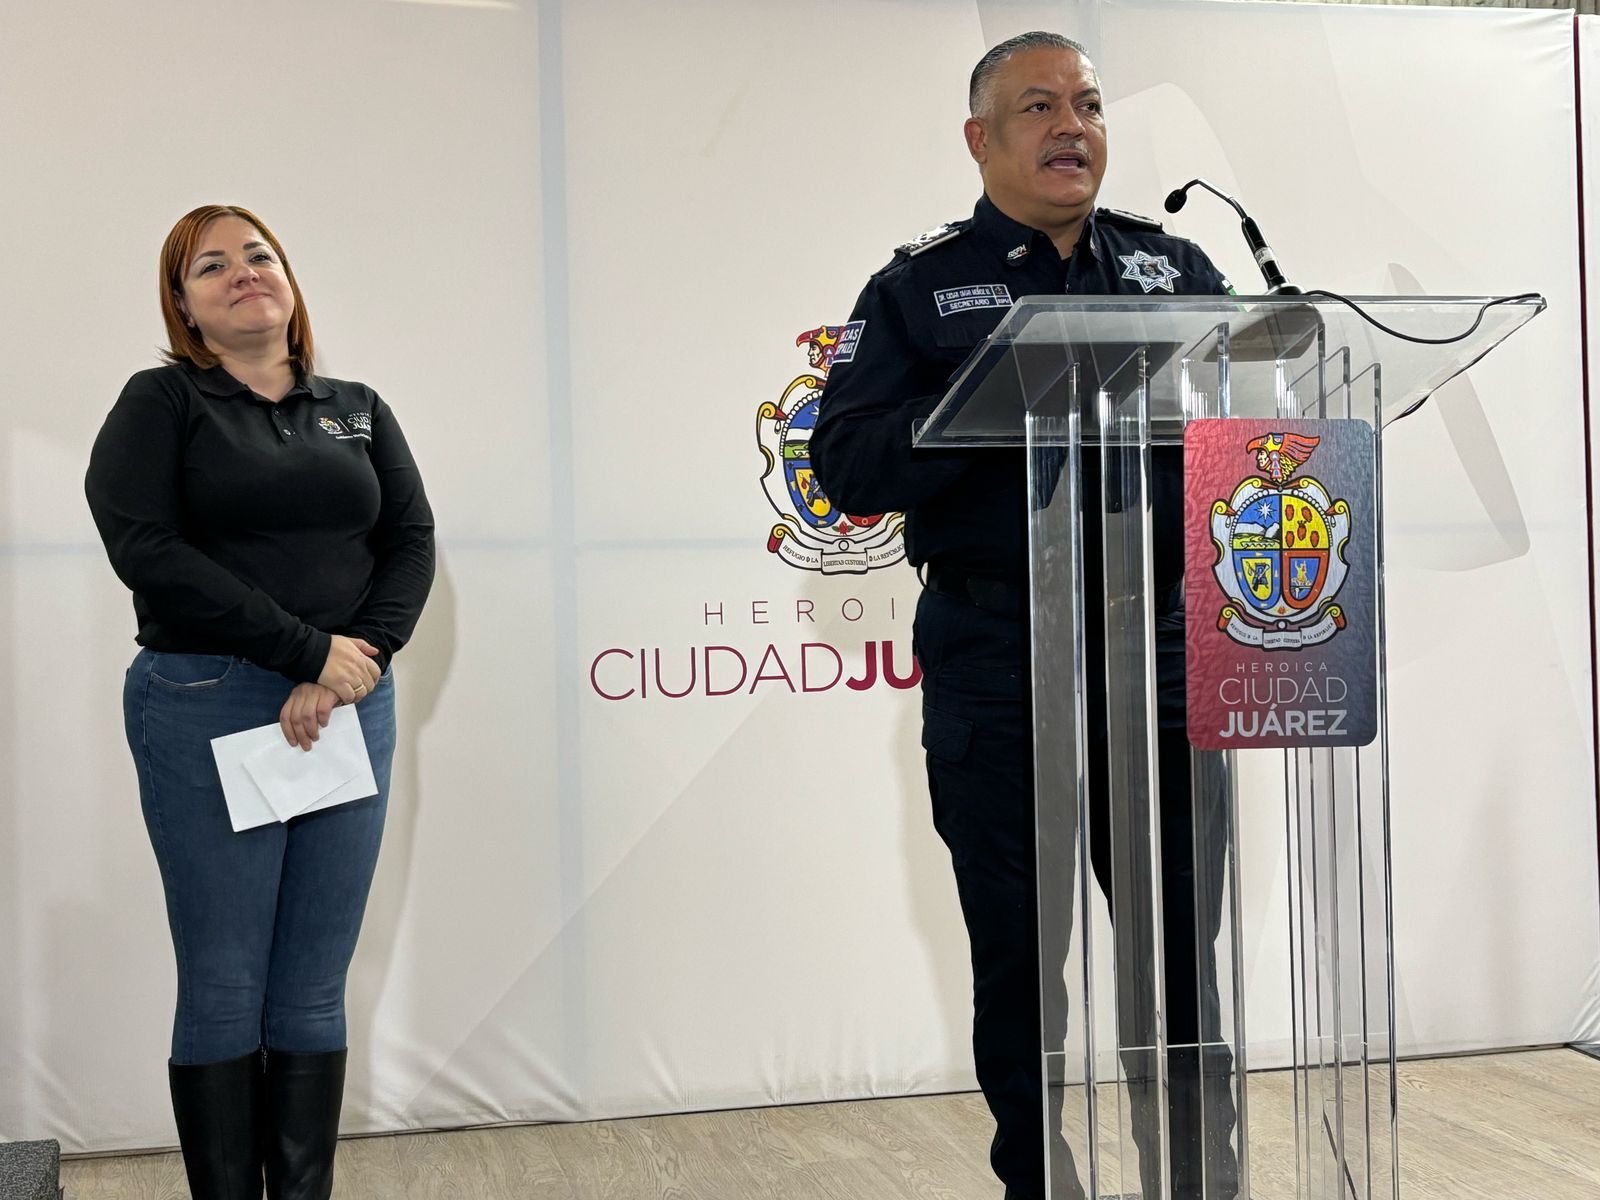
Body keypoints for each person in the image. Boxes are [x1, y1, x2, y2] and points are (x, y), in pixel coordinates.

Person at [811, 33, 1238, 1200]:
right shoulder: (914, 290)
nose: (1072, 127)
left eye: (1089, 106)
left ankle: (1195, 1184)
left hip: (1156, 646)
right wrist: (992, 397)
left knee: (1175, 958)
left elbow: (1257, 421)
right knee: (1019, 955)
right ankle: (1038, 1185)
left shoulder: (1174, 270)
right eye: (1040, 106)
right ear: (980, 139)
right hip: (997, 654)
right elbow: (845, 462)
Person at [85, 205, 435, 1200]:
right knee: (226, 978)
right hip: (207, 700)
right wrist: (304, 651)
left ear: (289, 279)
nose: (243, 272)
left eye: (258, 254)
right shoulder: (162, 402)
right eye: (211, 266)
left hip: (349, 704)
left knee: (315, 983)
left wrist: (356, 659)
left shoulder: (357, 407)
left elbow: (410, 540)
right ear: (184, 306)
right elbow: (145, 547)